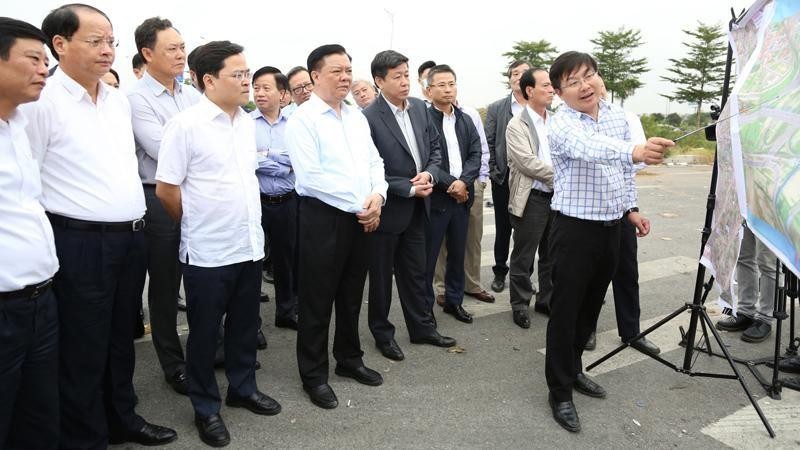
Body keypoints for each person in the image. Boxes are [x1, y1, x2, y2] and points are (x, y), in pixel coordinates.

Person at [22, 4, 176, 447]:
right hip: (79, 241)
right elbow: (26, 178)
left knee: (119, 340)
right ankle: (84, 435)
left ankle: (121, 418)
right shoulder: (42, 102)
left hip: (129, 237)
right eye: (95, 41)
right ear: (59, 44)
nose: (107, 50)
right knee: (82, 347)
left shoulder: (115, 101)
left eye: (111, 41)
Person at [156, 40, 281, 448]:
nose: (248, 81)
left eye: (248, 73)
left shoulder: (245, 122)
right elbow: (167, 190)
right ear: (209, 80)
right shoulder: (186, 125)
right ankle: (206, 407)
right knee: (205, 334)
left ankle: (242, 388)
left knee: (245, 327)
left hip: (248, 245)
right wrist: (194, 222)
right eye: (239, 75)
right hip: (208, 252)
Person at [543, 51, 673, 433]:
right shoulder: (562, 123)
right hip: (574, 229)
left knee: (591, 307)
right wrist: (633, 150)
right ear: (559, 92)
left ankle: (575, 370)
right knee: (565, 312)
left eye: (590, 76)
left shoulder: (616, 116)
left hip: (612, 227)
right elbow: (591, 148)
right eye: (573, 82)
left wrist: (631, 208)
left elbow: (624, 172)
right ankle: (560, 391)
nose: (586, 86)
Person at [285, 44, 388, 410]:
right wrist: (362, 205)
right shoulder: (302, 120)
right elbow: (311, 178)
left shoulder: (356, 116)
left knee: (350, 293)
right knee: (317, 299)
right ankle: (314, 375)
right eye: (336, 71)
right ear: (315, 76)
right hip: (324, 218)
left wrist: (378, 195)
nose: (345, 77)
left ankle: (349, 358)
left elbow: (375, 161)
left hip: (362, 215)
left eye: (348, 70)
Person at [363, 50, 456, 362]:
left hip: (419, 209)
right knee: (380, 279)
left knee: (416, 272)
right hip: (388, 211)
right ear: (379, 81)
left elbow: (434, 148)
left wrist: (429, 173)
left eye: (406, 74)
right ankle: (383, 334)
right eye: (397, 76)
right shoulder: (368, 118)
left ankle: (422, 327)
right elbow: (368, 168)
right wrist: (407, 187)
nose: (405, 82)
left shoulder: (418, 107)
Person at [128, 16, 202, 397]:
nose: (180, 54)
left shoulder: (190, 94)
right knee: (166, 284)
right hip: (159, 197)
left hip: (201, 195)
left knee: (205, 276)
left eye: (181, 46)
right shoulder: (135, 99)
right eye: (171, 48)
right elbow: (166, 153)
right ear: (147, 53)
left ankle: (208, 351)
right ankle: (173, 364)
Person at [0, 17, 59, 450]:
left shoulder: (19, 124)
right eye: (34, 59)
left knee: (38, 414)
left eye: (46, 61)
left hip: (40, 300)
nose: (44, 69)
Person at [424, 64, 482, 325]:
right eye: (441, 85)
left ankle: (454, 301)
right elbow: (427, 160)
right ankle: (424, 310)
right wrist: (452, 184)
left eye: (452, 84)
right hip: (437, 198)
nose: (448, 90)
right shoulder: (423, 119)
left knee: (458, 254)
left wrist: (464, 182)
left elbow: (475, 154)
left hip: (462, 197)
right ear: (428, 90)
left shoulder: (465, 118)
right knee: (429, 257)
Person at [505, 67, 555, 329]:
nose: (551, 90)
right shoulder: (517, 124)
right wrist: (562, 176)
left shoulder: (556, 121)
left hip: (557, 199)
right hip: (533, 198)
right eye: (545, 86)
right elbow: (526, 162)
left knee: (551, 254)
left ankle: (546, 300)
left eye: (551, 85)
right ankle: (520, 303)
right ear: (529, 91)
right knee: (524, 255)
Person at [250, 65, 298, 330]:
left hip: (287, 201)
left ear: (282, 94)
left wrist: (265, 155)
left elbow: (297, 161)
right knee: (253, 261)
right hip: (256, 201)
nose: (259, 93)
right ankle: (252, 323)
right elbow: (249, 160)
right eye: (256, 88)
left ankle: (286, 312)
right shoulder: (245, 124)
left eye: (265, 88)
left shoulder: (295, 125)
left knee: (286, 259)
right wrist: (279, 161)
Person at [485, 60, 530, 293]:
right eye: (515, 73)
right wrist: (494, 171)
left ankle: (524, 277)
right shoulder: (496, 108)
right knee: (503, 228)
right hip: (503, 178)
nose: (519, 77)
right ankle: (500, 272)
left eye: (524, 73)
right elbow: (489, 143)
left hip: (531, 181)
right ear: (510, 79)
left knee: (528, 231)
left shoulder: (539, 108)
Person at [715, 225, 778, 342]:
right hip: (746, 208)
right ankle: (746, 311)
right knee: (744, 257)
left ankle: (765, 318)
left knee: (767, 262)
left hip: (771, 210)